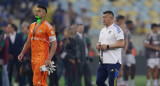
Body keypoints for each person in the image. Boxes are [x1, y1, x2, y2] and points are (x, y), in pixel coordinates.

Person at [18, 5, 57, 86]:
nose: (36, 12)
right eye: (36, 11)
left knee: (38, 81)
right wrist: (22, 52)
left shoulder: (48, 27)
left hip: (42, 58)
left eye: (39, 11)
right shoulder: (32, 25)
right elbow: (29, 41)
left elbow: (54, 43)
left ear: (44, 14)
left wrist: (49, 58)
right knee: (40, 81)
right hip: (34, 57)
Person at [96, 11, 124, 86]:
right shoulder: (102, 30)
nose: (103, 19)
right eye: (103, 17)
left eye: (105, 17)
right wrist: (98, 45)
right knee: (99, 82)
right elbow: (99, 42)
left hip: (113, 61)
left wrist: (107, 46)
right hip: (102, 61)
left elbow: (121, 43)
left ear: (111, 18)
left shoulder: (117, 29)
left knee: (112, 83)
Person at [124, 20, 136, 86]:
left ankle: (131, 81)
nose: (132, 26)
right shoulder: (126, 32)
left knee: (133, 66)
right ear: (129, 25)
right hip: (128, 52)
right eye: (131, 24)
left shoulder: (129, 32)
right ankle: (126, 82)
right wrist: (127, 49)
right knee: (127, 67)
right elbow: (125, 42)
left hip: (131, 52)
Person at [115, 15, 126, 86]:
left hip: (120, 48)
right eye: (123, 20)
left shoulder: (121, 27)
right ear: (120, 20)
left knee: (121, 65)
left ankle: (120, 81)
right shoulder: (114, 27)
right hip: (115, 48)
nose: (124, 22)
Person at [0, 21, 10, 86]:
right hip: (3, 58)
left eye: (4, 27)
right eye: (2, 27)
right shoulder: (3, 36)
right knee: (4, 75)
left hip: (3, 59)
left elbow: (1, 48)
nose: (3, 28)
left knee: (5, 75)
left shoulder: (3, 37)